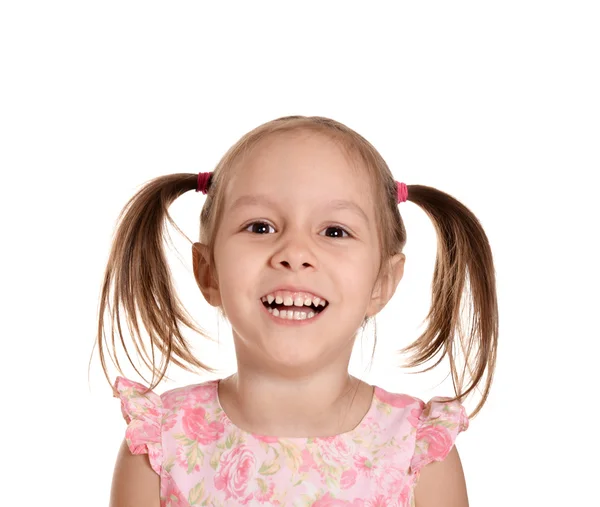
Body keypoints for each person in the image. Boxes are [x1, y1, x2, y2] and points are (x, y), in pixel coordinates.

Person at [98, 115, 498, 507]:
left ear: (382, 282)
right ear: (208, 272)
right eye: (260, 227)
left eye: (335, 231)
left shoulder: (418, 457)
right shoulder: (159, 449)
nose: (294, 254)